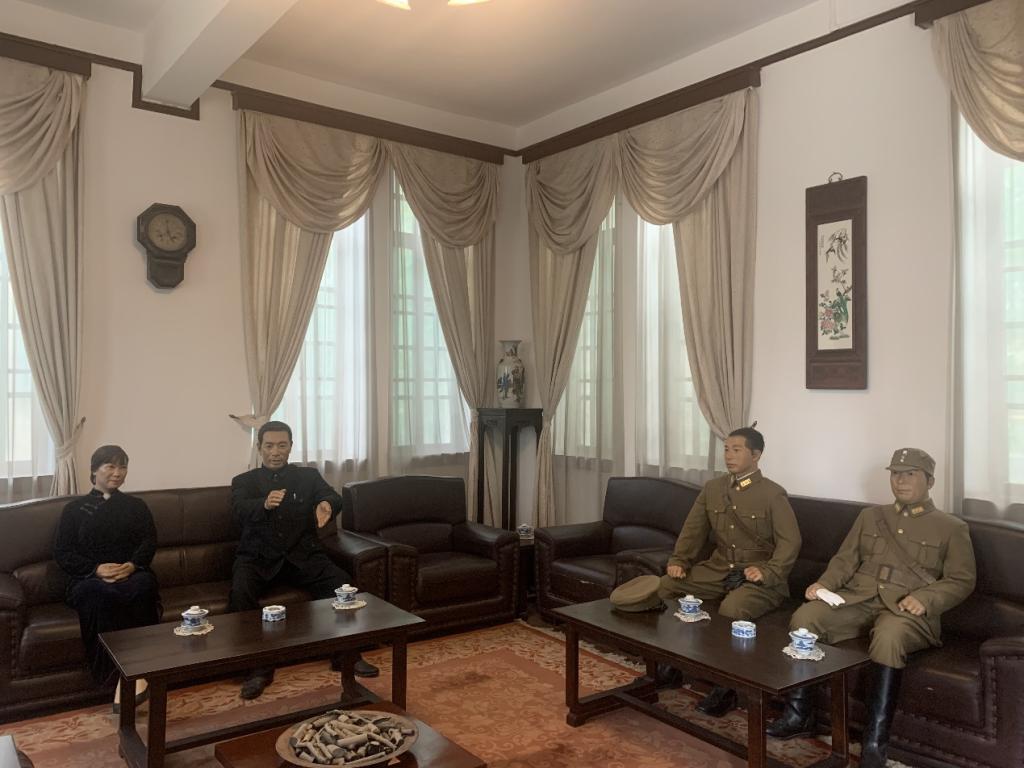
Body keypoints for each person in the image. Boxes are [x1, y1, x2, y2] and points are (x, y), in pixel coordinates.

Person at [766, 448, 976, 768]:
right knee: (805, 617)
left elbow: (961, 579)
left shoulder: (950, 527)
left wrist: (926, 599)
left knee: (889, 636)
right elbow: (845, 561)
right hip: (858, 600)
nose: (900, 481)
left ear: (930, 481)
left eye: (910, 474)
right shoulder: (870, 517)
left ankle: (875, 741)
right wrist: (823, 585)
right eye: (896, 474)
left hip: (906, 610)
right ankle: (798, 714)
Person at [657, 426, 801, 717]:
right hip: (719, 568)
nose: (729, 456)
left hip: (757, 576)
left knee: (733, 608)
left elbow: (791, 542)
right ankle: (671, 664)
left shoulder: (772, 494)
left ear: (756, 455)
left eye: (737, 450)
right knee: (667, 587)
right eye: (726, 449)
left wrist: (769, 572)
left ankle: (726, 688)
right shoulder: (713, 489)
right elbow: (693, 529)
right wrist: (680, 560)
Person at [229, 420, 379, 699]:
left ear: (291, 447)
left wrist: (327, 505)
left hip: (302, 555)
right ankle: (257, 669)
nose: (275, 452)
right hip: (258, 558)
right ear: (259, 448)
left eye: (282, 445)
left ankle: (346, 655)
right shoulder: (244, 481)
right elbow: (238, 510)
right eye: (269, 446)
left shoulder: (308, 476)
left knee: (342, 584)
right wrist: (263, 503)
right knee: (240, 592)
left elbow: (332, 496)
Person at [53, 445, 161, 713]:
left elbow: (148, 542)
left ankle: (133, 677)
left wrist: (132, 565)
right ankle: (120, 679)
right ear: (94, 470)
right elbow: (63, 552)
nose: (117, 472)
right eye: (110, 466)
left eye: (123, 466)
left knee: (144, 586)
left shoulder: (136, 506)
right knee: (101, 594)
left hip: (131, 575)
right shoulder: (74, 509)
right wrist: (96, 569)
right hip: (89, 578)